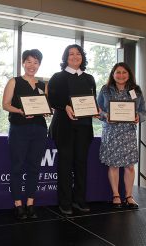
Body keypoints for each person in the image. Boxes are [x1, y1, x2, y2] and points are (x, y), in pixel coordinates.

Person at [48, 44, 96, 215]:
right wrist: (64, 106)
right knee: (66, 164)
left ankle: (79, 200)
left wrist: (96, 110)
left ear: (82, 57)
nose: (75, 57)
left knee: (81, 163)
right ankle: (65, 202)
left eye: (78, 54)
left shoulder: (89, 78)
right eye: (71, 54)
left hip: (84, 127)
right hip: (64, 126)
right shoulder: (58, 77)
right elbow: (51, 100)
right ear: (65, 58)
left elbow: (93, 101)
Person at [2, 49, 48, 220]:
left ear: (39, 65)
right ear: (23, 63)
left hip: (40, 129)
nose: (32, 65)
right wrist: (20, 111)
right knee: (17, 166)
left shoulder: (44, 85)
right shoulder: (14, 81)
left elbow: (46, 105)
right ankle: (18, 204)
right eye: (28, 61)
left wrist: (46, 111)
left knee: (34, 167)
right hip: (19, 128)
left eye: (35, 62)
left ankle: (30, 203)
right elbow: (5, 104)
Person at [97, 62, 146, 209]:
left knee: (129, 166)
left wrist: (138, 116)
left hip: (128, 133)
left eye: (124, 72)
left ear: (129, 74)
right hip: (111, 132)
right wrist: (106, 115)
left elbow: (143, 110)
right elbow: (97, 109)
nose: (121, 75)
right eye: (118, 72)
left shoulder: (136, 90)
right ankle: (116, 195)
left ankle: (129, 196)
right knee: (113, 165)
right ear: (113, 74)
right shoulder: (105, 90)